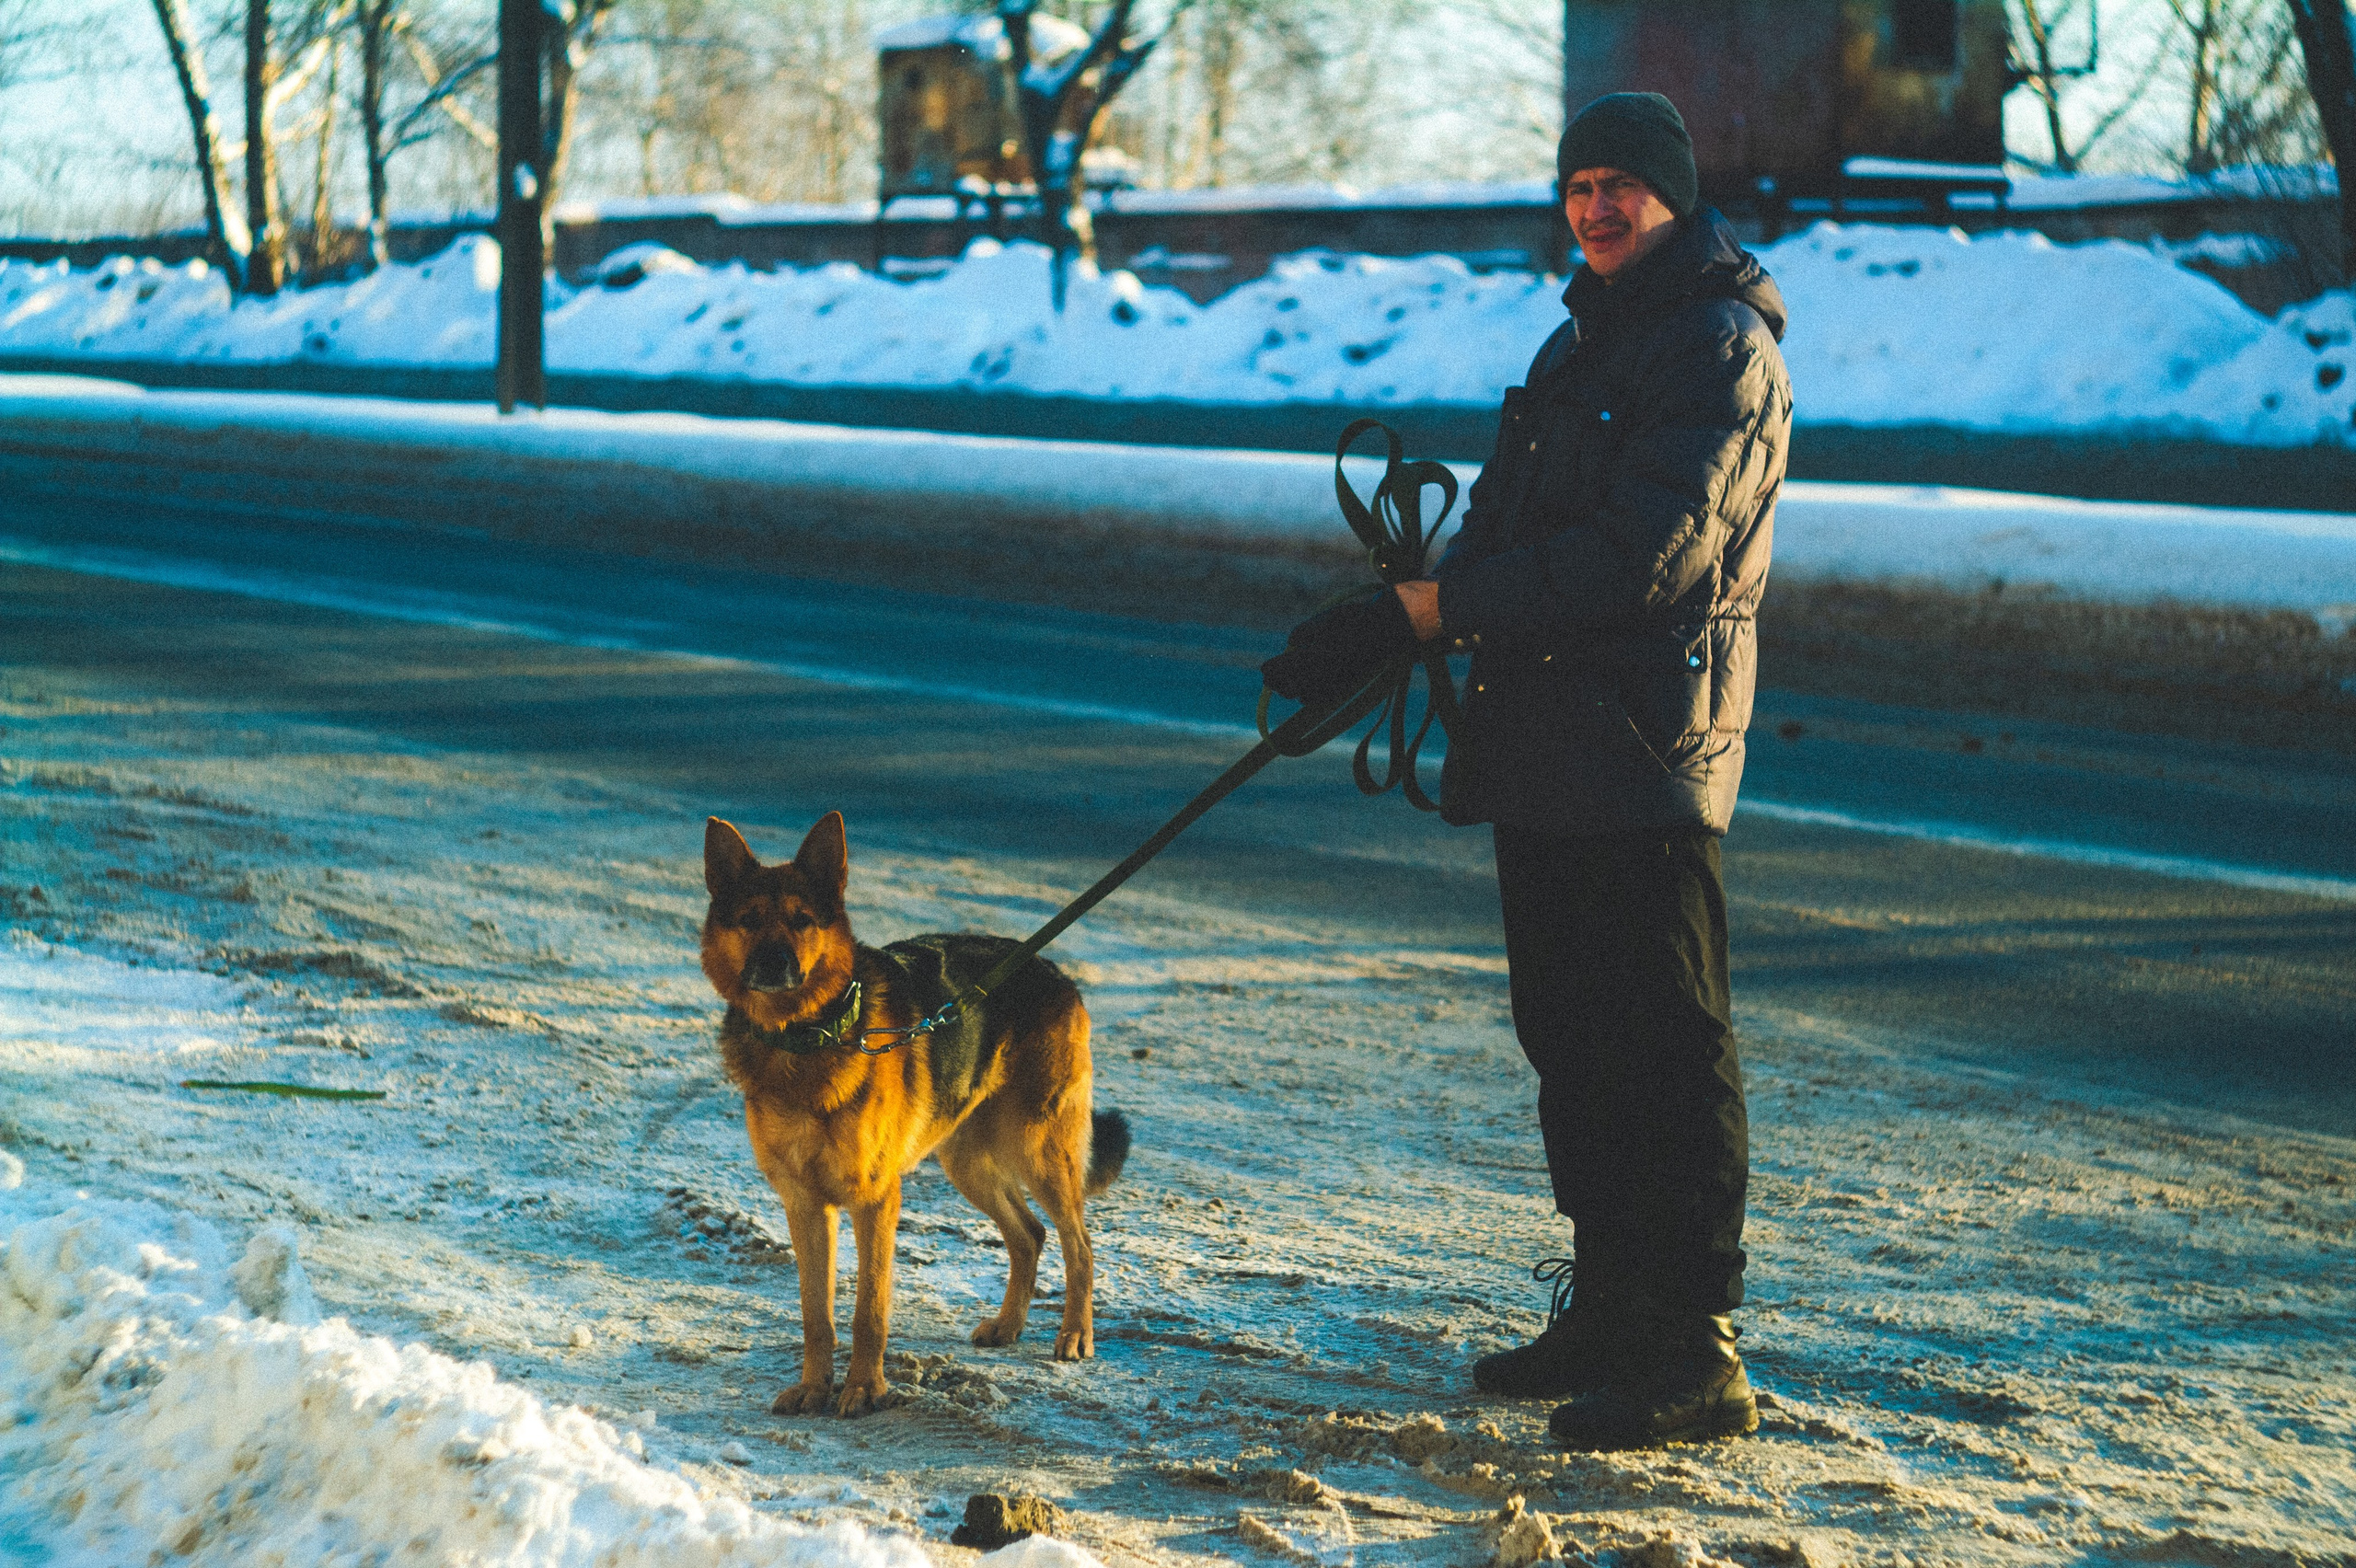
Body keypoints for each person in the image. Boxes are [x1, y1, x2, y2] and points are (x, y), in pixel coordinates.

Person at [1398, 92, 1791, 1451]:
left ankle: (1694, 1349)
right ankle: (1614, 1309)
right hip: (1544, 742)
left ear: (1676, 196)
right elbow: (1506, 522)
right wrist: (1402, 613)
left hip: (1644, 748)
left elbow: (1645, 556)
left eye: (1624, 183)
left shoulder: (1721, 345)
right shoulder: (1579, 342)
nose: (1597, 207)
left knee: (1666, 1048)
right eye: (1580, 185)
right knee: (1571, 1039)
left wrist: (1445, 609)